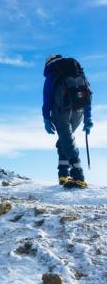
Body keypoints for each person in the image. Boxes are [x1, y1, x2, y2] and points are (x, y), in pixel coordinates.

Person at [43, 54, 93, 188]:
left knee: (67, 141)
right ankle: (64, 175)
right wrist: (88, 117)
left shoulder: (53, 74)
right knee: (64, 141)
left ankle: (78, 176)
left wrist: (46, 118)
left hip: (61, 111)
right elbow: (88, 94)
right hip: (79, 111)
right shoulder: (78, 73)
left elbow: (47, 98)